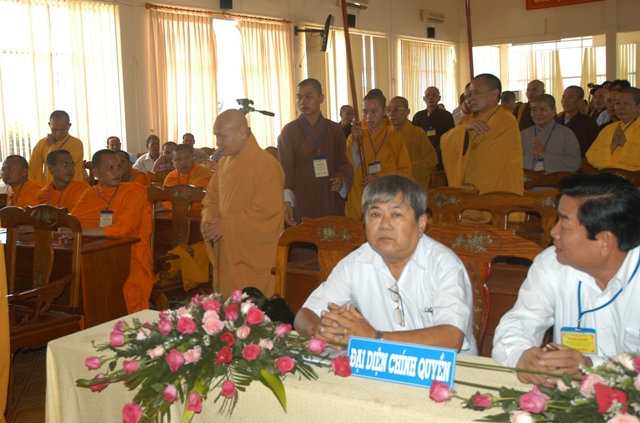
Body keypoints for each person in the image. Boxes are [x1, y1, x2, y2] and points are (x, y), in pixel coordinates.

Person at [294, 174, 477, 354]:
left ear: (421, 223)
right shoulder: (356, 263)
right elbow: (305, 314)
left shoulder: (444, 264)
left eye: (396, 214)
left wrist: (375, 338)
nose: (384, 225)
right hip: (382, 363)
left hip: (448, 368)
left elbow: (452, 338)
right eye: (375, 214)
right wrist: (317, 330)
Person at [493, 173, 640, 384]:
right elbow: (519, 322)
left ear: (605, 241)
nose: (553, 232)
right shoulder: (553, 263)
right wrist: (520, 356)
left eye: (565, 226)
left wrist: (591, 367)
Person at [201, 110, 284, 297]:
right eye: (216, 136)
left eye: (222, 136)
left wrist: (225, 226)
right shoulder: (223, 164)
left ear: (241, 132)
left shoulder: (266, 164)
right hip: (227, 250)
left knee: (254, 311)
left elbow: (267, 214)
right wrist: (209, 221)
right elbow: (211, 199)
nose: (218, 143)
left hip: (252, 256)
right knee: (228, 309)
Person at [70, 150, 154, 314]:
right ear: (96, 172)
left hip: (130, 257)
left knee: (126, 286)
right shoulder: (90, 193)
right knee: (78, 281)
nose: (117, 172)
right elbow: (72, 223)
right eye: (110, 167)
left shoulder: (134, 191)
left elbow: (125, 229)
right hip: (93, 255)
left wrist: (82, 231)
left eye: (119, 167)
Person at [277, 78, 353, 226]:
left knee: (331, 237)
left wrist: (341, 178)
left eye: (308, 97)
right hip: (302, 201)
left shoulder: (335, 130)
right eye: (299, 98)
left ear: (321, 98)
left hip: (329, 199)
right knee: (305, 239)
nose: (302, 102)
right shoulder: (289, 131)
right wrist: (287, 203)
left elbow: (343, 162)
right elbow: (285, 170)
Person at [440, 73, 524, 195]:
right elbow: (445, 141)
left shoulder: (505, 120)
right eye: (469, 94)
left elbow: (486, 163)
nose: (470, 99)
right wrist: (464, 129)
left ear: (494, 94)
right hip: (470, 190)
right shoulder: (469, 121)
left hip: (499, 194)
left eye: (477, 93)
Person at [346, 90, 411, 221]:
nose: (369, 116)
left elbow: (405, 172)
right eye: (365, 112)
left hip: (387, 198)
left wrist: (381, 177)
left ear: (385, 111)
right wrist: (355, 144)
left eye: (374, 111)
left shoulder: (396, 139)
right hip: (360, 196)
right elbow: (348, 169)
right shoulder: (355, 137)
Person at [387, 96, 438, 191]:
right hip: (390, 185)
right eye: (389, 110)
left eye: (396, 109)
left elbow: (431, 159)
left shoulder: (418, 133)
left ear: (407, 112)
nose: (391, 113)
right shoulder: (385, 134)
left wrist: (408, 168)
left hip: (411, 186)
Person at [521, 94, 581, 173]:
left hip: (556, 180)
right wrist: (532, 157)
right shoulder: (523, 134)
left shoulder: (566, 134)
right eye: (534, 109)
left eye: (542, 109)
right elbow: (512, 162)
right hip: (528, 180)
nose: (537, 113)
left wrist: (546, 155)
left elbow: (575, 162)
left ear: (553, 111)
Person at [586, 87, 640, 171]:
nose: (620, 107)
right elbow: (591, 157)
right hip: (608, 177)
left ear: (638, 107)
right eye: (617, 103)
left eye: (626, 103)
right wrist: (613, 145)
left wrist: (625, 144)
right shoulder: (608, 129)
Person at [28, 110, 84, 184]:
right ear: (49, 125)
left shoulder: (76, 144)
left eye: (62, 130)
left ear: (69, 126)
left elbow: (62, 165)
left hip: (71, 186)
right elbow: (32, 168)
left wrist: (52, 146)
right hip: (47, 187)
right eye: (54, 129)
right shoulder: (42, 143)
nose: (58, 133)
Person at [411, 86, 455, 166]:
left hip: (441, 155)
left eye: (434, 95)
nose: (430, 97)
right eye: (428, 95)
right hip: (422, 156)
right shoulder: (418, 116)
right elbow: (414, 138)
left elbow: (450, 136)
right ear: (424, 98)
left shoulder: (446, 116)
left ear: (439, 98)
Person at [162, 144, 212, 211]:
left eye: (187, 158)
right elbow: (164, 199)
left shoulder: (204, 174)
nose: (183, 162)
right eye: (178, 159)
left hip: (200, 214)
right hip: (172, 215)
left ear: (194, 158)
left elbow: (201, 200)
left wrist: (166, 206)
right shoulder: (171, 177)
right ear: (173, 162)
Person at [556, 86, 600, 157]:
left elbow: (595, 147)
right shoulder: (555, 122)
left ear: (580, 102)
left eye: (570, 97)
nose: (565, 101)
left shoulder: (588, 123)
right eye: (563, 97)